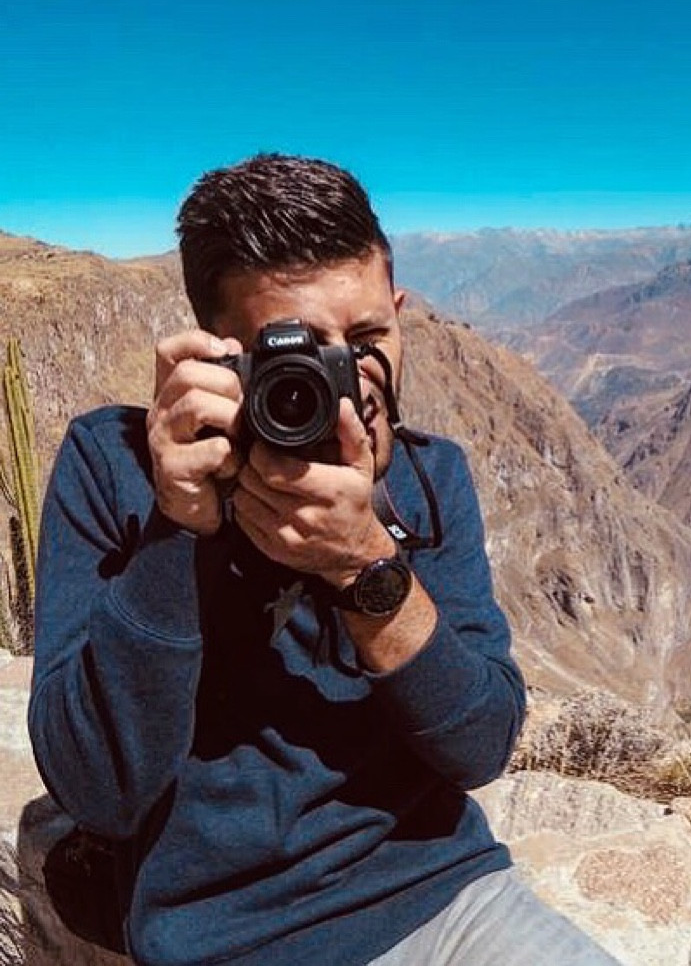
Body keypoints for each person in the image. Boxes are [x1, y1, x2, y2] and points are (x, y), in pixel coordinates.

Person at [29, 153, 618, 965]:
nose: (346, 384)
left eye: (368, 340)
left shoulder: (428, 479)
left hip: (447, 897)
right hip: (225, 936)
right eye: (300, 353)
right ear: (223, 357)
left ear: (401, 314)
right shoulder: (117, 469)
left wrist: (365, 565)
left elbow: (480, 745)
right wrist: (176, 532)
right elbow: (99, 791)